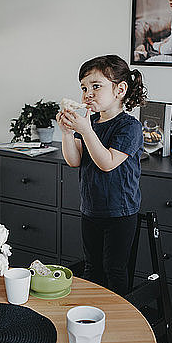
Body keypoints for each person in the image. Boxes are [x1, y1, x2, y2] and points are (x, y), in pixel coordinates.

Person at [56, 55, 146, 296]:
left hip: (120, 211)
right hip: (91, 208)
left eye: (96, 86)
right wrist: (67, 133)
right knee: (92, 267)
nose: (88, 93)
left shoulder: (130, 127)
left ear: (120, 89)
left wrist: (85, 130)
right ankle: (90, 316)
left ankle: (118, 321)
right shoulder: (90, 121)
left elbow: (107, 163)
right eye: (84, 88)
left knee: (114, 269)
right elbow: (74, 160)